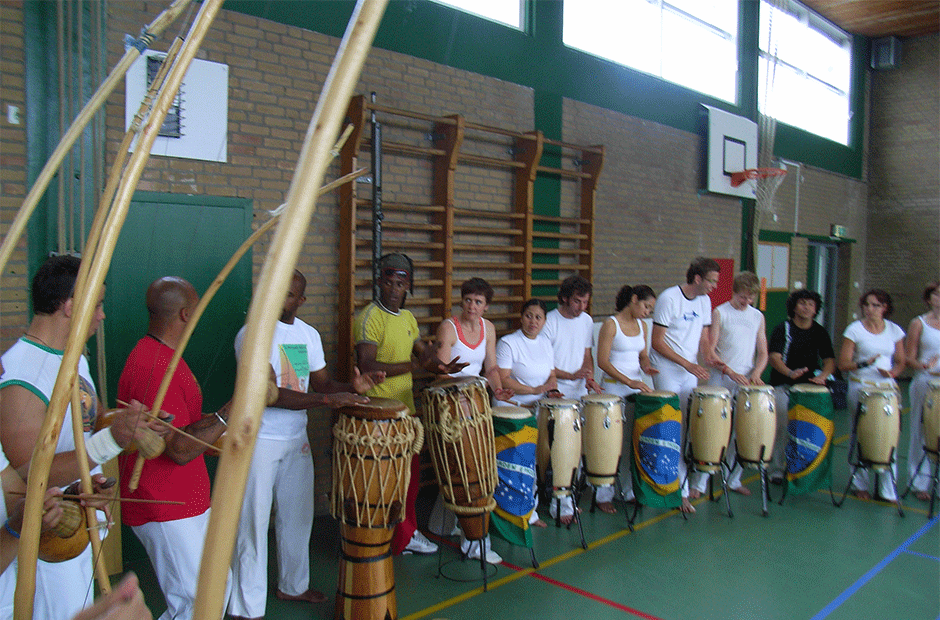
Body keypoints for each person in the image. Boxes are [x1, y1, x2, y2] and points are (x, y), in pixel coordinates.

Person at [0, 255, 158, 620]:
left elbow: (90, 420)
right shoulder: (19, 375)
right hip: (46, 545)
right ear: (71, 306)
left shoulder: (72, 357)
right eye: (97, 304)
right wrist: (112, 441)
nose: (102, 314)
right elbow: (28, 477)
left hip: (80, 517)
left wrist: (129, 422)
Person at [229, 270, 381, 619]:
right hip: (258, 440)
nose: (282, 296)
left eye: (290, 293)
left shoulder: (307, 335)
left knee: (298, 516)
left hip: (295, 437)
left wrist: (352, 389)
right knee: (252, 522)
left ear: (301, 300)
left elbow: (322, 384)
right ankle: (245, 606)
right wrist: (326, 402)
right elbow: (266, 395)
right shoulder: (252, 334)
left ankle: (292, 585)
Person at [118, 276, 236, 620]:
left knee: (214, 588)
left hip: (185, 500)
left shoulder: (164, 357)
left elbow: (183, 429)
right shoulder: (154, 365)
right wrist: (234, 406)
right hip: (164, 504)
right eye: (197, 307)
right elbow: (179, 449)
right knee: (197, 604)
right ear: (185, 314)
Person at [353, 253, 466, 556]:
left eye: (400, 284)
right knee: (385, 482)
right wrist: (414, 366)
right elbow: (367, 364)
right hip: (378, 413)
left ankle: (405, 535)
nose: (393, 289)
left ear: (408, 287)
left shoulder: (408, 319)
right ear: (379, 283)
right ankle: (392, 538)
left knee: (409, 482)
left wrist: (439, 367)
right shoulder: (368, 317)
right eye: (388, 283)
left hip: (406, 413)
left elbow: (423, 355)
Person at [431, 277, 512, 563]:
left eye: (478, 302)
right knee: (462, 467)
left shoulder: (488, 328)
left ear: (486, 306)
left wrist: (498, 387)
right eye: (467, 300)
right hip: (451, 406)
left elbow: (491, 366)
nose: (472, 306)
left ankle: (444, 524)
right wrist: (467, 383)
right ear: (461, 300)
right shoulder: (448, 327)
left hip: (476, 404)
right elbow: (440, 373)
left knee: (469, 467)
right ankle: (473, 541)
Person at [649, 257, 721, 513]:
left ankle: (685, 482)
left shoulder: (704, 301)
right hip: (668, 370)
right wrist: (687, 364)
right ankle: (673, 488)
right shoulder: (669, 298)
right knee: (671, 429)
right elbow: (657, 342)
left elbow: (703, 336)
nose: (714, 286)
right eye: (711, 281)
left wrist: (710, 357)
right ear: (698, 278)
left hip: (689, 370)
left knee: (692, 426)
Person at [702, 271, 768, 496]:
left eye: (751, 298)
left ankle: (733, 478)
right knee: (713, 430)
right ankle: (699, 482)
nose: (747, 302)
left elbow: (763, 352)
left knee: (744, 431)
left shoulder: (757, 316)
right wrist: (727, 370)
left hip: (745, 380)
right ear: (734, 292)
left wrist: (757, 373)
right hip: (721, 378)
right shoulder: (720, 312)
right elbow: (710, 350)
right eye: (743, 297)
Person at [838, 289, 906, 501]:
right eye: (867, 304)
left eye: (876, 305)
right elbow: (843, 364)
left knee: (890, 433)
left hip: (886, 388)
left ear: (885, 308)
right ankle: (860, 483)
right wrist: (864, 363)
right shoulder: (854, 330)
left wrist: (893, 373)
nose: (870, 309)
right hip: (861, 387)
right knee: (860, 433)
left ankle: (887, 487)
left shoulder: (894, 330)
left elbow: (901, 361)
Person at [595, 285, 658, 512]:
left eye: (651, 309)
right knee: (610, 444)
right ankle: (603, 494)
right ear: (633, 299)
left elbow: (642, 356)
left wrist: (647, 367)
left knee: (633, 441)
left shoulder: (643, 326)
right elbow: (602, 362)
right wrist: (628, 381)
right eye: (645, 306)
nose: (647, 312)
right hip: (613, 390)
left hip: (635, 390)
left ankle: (628, 490)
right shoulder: (610, 324)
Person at [496, 299, 559, 525]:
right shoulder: (508, 342)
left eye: (538, 317)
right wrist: (534, 389)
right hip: (511, 412)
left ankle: (529, 512)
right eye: (529, 316)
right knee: (514, 464)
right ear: (521, 317)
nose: (533, 321)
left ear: (544, 321)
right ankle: (510, 513)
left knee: (531, 463)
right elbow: (504, 379)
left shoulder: (545, 343)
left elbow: (552, 374)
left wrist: (551, 388)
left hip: (537, 411)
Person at [767, 289, 837, 482]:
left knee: (810, 428)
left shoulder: (820, 331)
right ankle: (777, 469)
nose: (806, 308)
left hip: (810, 389)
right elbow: (774, 358)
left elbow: (829, 360)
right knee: (783, 425)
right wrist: (790, 373)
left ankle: (805, 467)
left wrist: (823, 376)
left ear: (816, 309)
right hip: (784, 385)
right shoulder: (783, 329)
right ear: (794, 306)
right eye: (802, 303)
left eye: (811, 305)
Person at [905, 280, 940, 501]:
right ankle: (919, 483)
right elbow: (909, 357)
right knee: (921, 432)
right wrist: (923, 366)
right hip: (925, 381)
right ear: (929, 298)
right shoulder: (918, 323)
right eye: (937, 294)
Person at [542, 275, 602, 399]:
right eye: (577, 301)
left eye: (585, 302)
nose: (582, 307)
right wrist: (571, 376)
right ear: (565, 298)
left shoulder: (587, 320)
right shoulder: (549, 321)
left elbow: (587, 355)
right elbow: (543, 363)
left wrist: (589, 378)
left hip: (580, 390)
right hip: (555, 388)